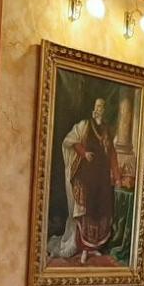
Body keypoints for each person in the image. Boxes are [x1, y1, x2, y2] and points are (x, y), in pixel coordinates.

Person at [48, 96, 120, 263]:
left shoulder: (107, 130)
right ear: (94, 109)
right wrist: (84, 153)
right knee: (85, 212)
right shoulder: (84, 125)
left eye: (102, 107)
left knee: (99, 213)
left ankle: (93, 248)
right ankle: (83, 249)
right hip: (86, 176)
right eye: (98, 106)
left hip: (101, 178)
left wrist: (117, 176)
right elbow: (70, 141)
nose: (100, 109)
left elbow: (112, 154)